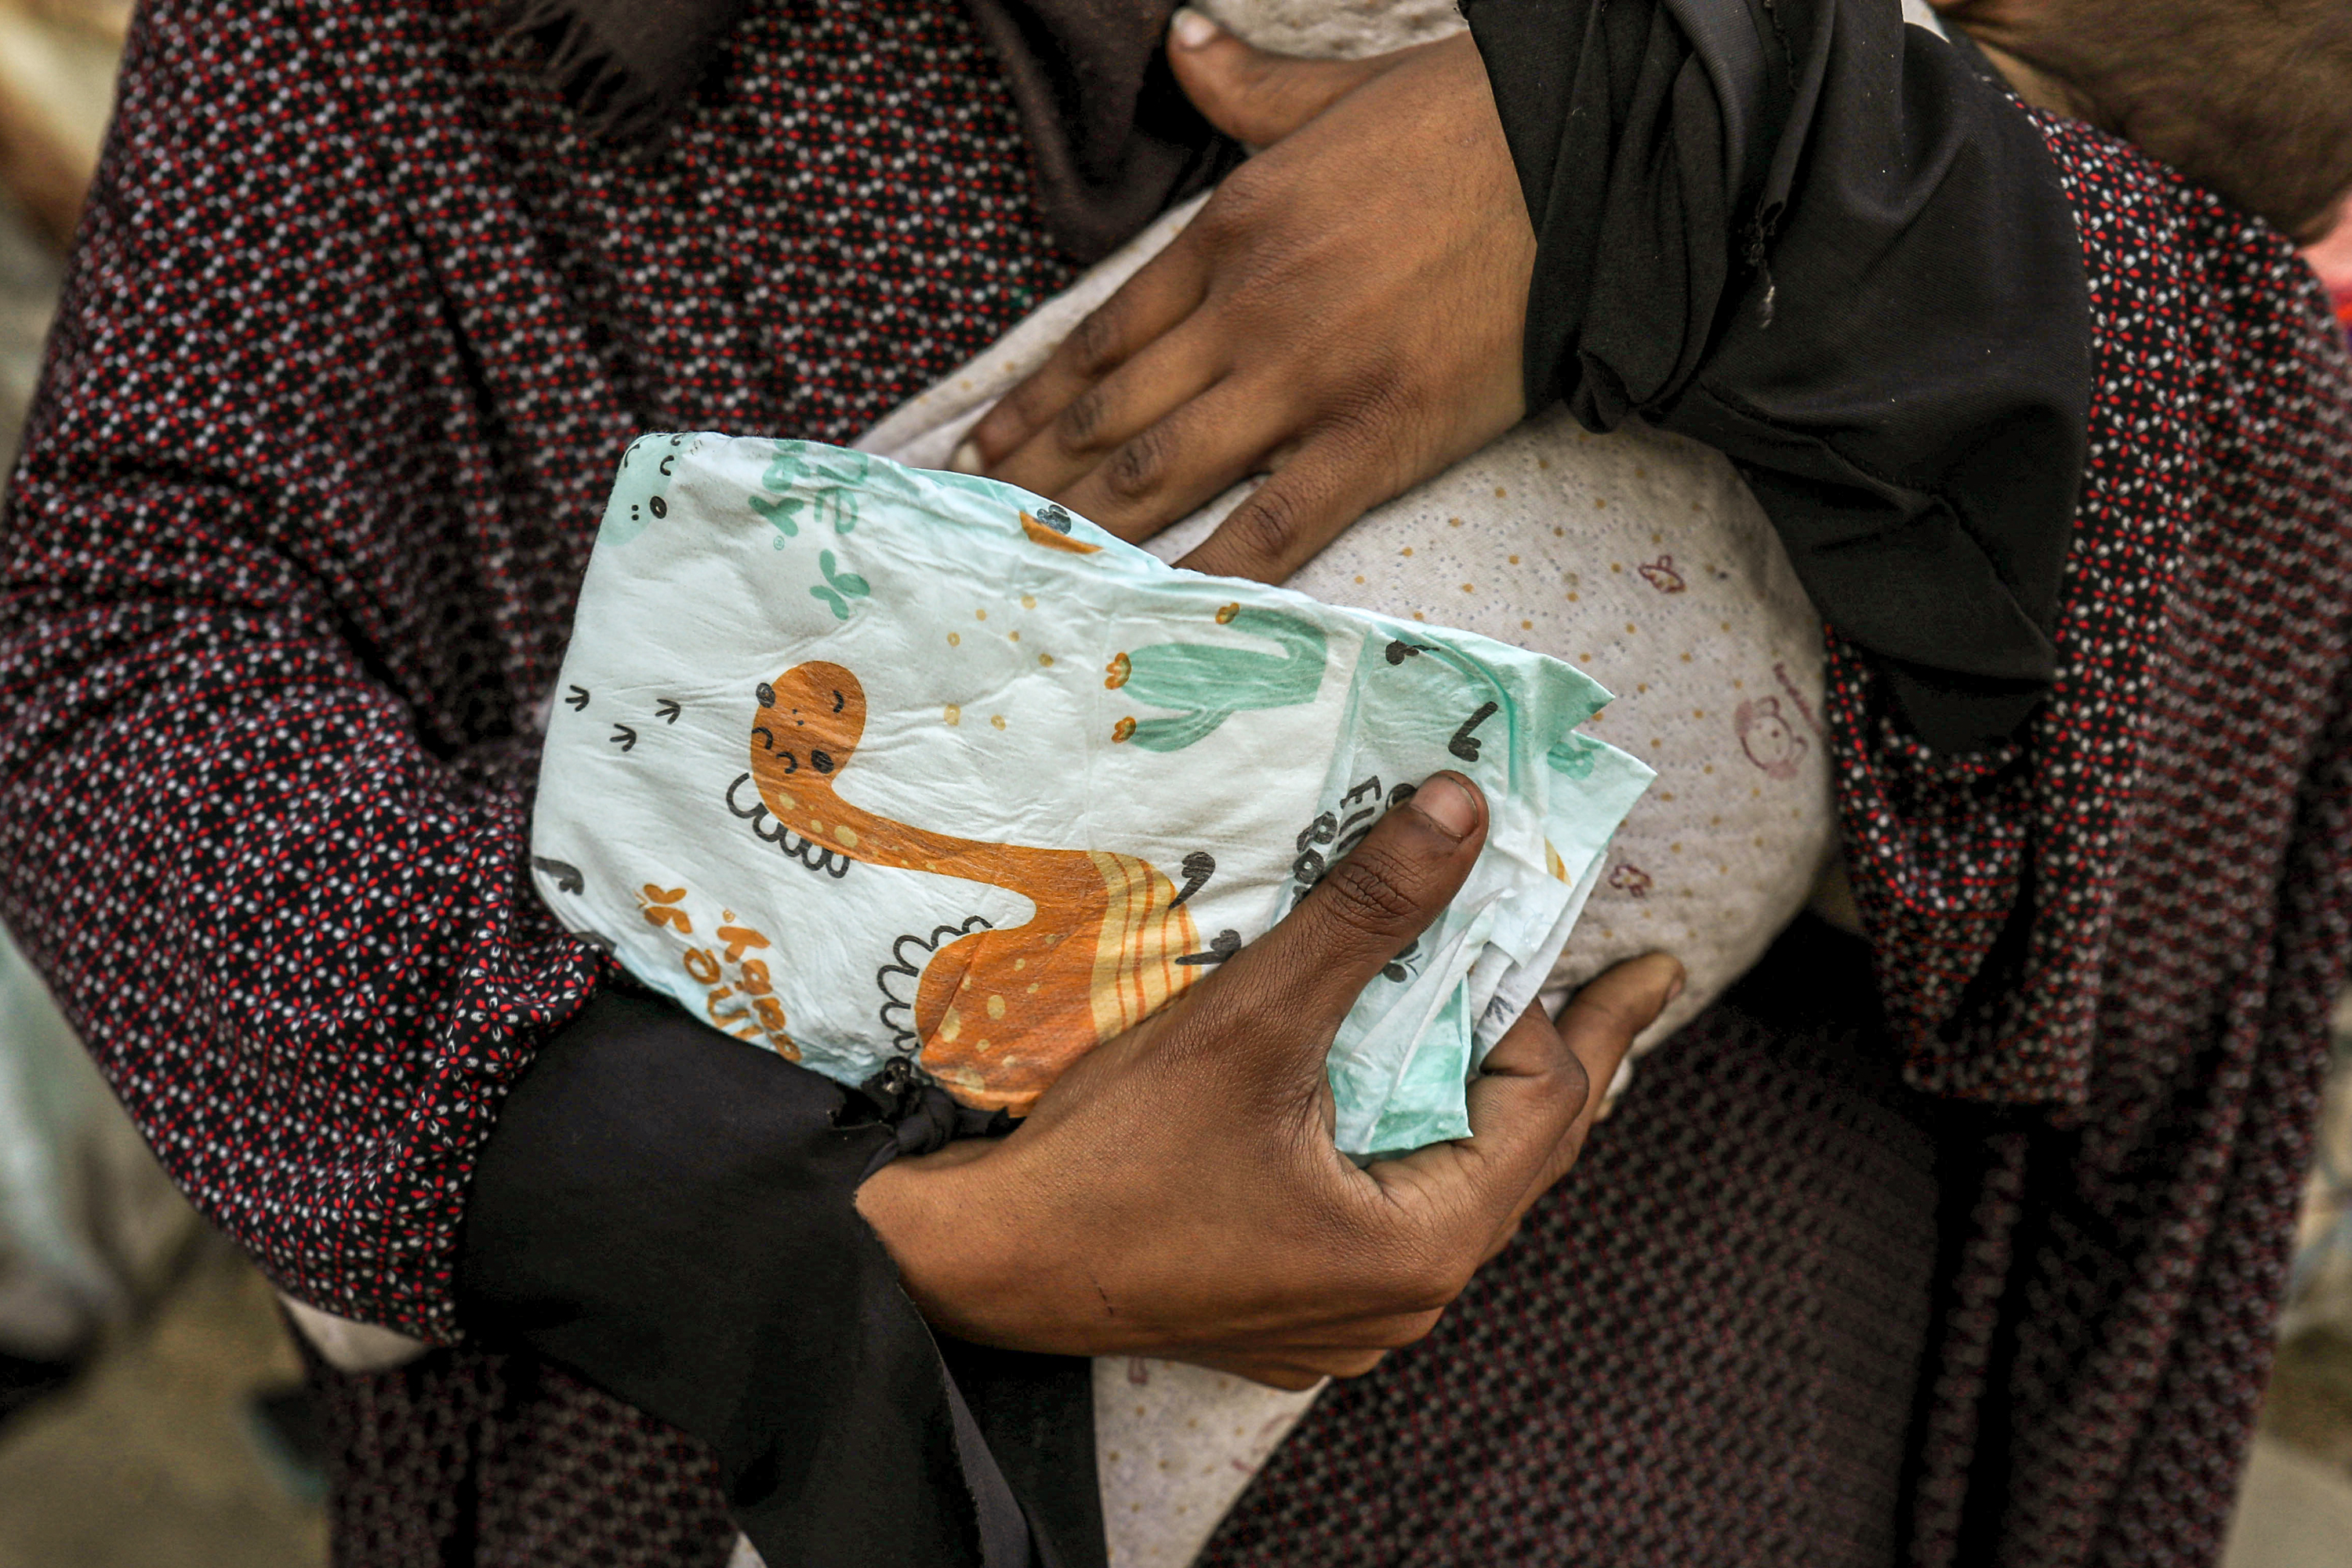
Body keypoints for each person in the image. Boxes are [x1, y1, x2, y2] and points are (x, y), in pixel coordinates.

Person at [0, 5, 2344, 1568]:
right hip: (655, 1430)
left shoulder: (1877, 86)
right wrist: (799, 1252)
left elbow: (2227, 730)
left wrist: (1756, 170)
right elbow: (125, 630)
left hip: (1687, 1421)